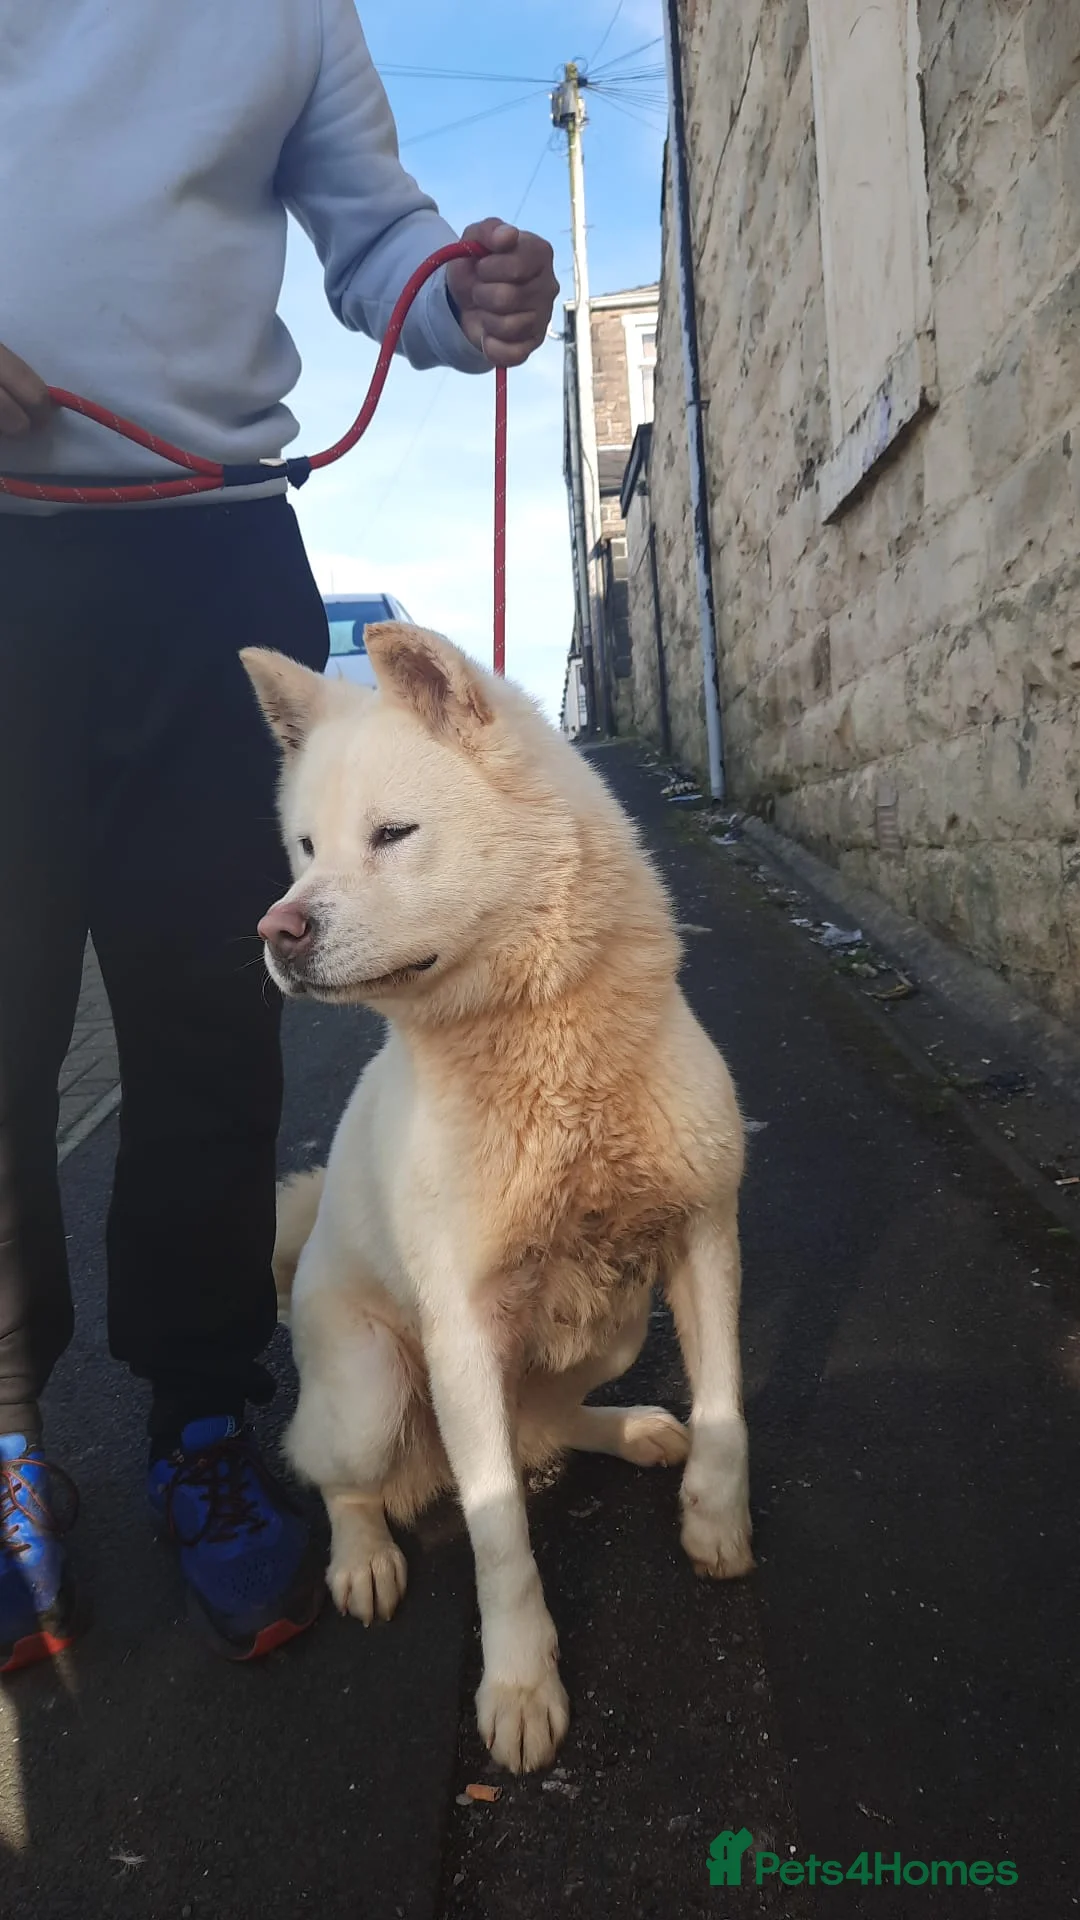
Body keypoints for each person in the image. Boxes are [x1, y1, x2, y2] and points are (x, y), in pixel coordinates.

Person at [0, 0, 557, 1672]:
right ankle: (8, 1442)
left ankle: (197, 1419)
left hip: (211, 554)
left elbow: (376, 234)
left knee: (210, 1018)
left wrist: (457, 297)